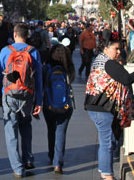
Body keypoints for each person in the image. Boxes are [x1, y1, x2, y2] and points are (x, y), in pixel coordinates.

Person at [84, 38, 134, 180]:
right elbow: (127, 79)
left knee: (109, 140)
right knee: (107, 141)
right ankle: (107, 174)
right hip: (103, 107)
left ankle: (105, 170)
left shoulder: (100, 60)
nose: (119, 52)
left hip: (98, 106)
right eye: (116, 49)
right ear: (106, 49)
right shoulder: (109, 63)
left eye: (120, 49)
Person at [0, 23, 44, 178]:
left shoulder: (5, 51)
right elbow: (38, 78)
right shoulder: (34, 52)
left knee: (11, 130)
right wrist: (39, 101)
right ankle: (28, 158)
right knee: (26, 125)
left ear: (14, 34)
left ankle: (17, 167)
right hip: (27, 95)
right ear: (27, 35)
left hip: (9, 95)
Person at [42, 43, 75, 174]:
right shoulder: (69, 68)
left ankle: (51, 155)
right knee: (61, 132)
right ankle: (58, 163)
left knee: (51, 130)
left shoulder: (47, 67)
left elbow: (42, 85)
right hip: (66, 105)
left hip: (48, 104)